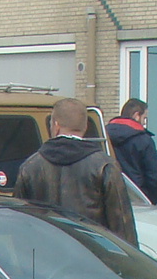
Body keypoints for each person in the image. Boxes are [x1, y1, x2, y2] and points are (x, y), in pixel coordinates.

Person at [11, 98, 139, 246]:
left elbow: (19, 222)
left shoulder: (30, 166)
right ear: (85, 127)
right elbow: (122, 226)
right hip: (90, 253)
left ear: (56, 125)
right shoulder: (105, 165)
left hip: (43, 254)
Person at [106, 99, 157, 205]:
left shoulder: (102, 136)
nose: (144, 123)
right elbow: (154, 175)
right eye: (144, 118)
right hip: (137, 200)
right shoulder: (143, 140)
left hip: (107, 199)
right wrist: (150, 200)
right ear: (137, 115)